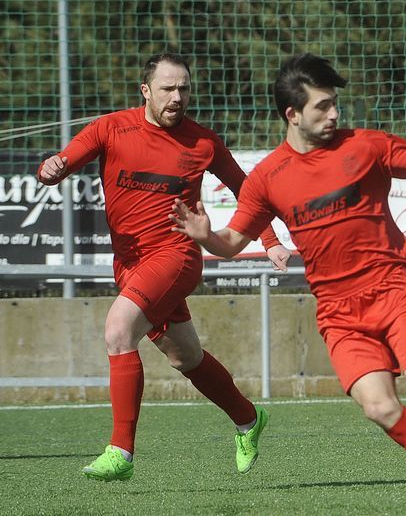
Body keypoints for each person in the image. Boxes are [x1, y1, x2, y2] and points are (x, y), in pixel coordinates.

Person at [169, 53, 406, 510]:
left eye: (335, 103)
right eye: (322, 106)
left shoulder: (366, 146)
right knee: (379, 407)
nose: (334, 113)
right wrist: (207, 237)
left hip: (393, 291)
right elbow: (233, 241)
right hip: (339, 313)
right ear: (292, 114)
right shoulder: (268, 179)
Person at [37, 53, 287, 481]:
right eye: (168, 88)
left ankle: (121, 452)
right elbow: (61, 163)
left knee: (118, 330)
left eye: (184, 89)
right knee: (185, 357)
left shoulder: (203, 142)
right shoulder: (110, 128)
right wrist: (50, 170)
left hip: (177, 256)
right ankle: (249, 420)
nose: (177, 97)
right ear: (146, 91)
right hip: (130, 263)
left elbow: (251, 193)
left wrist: (269, 241)